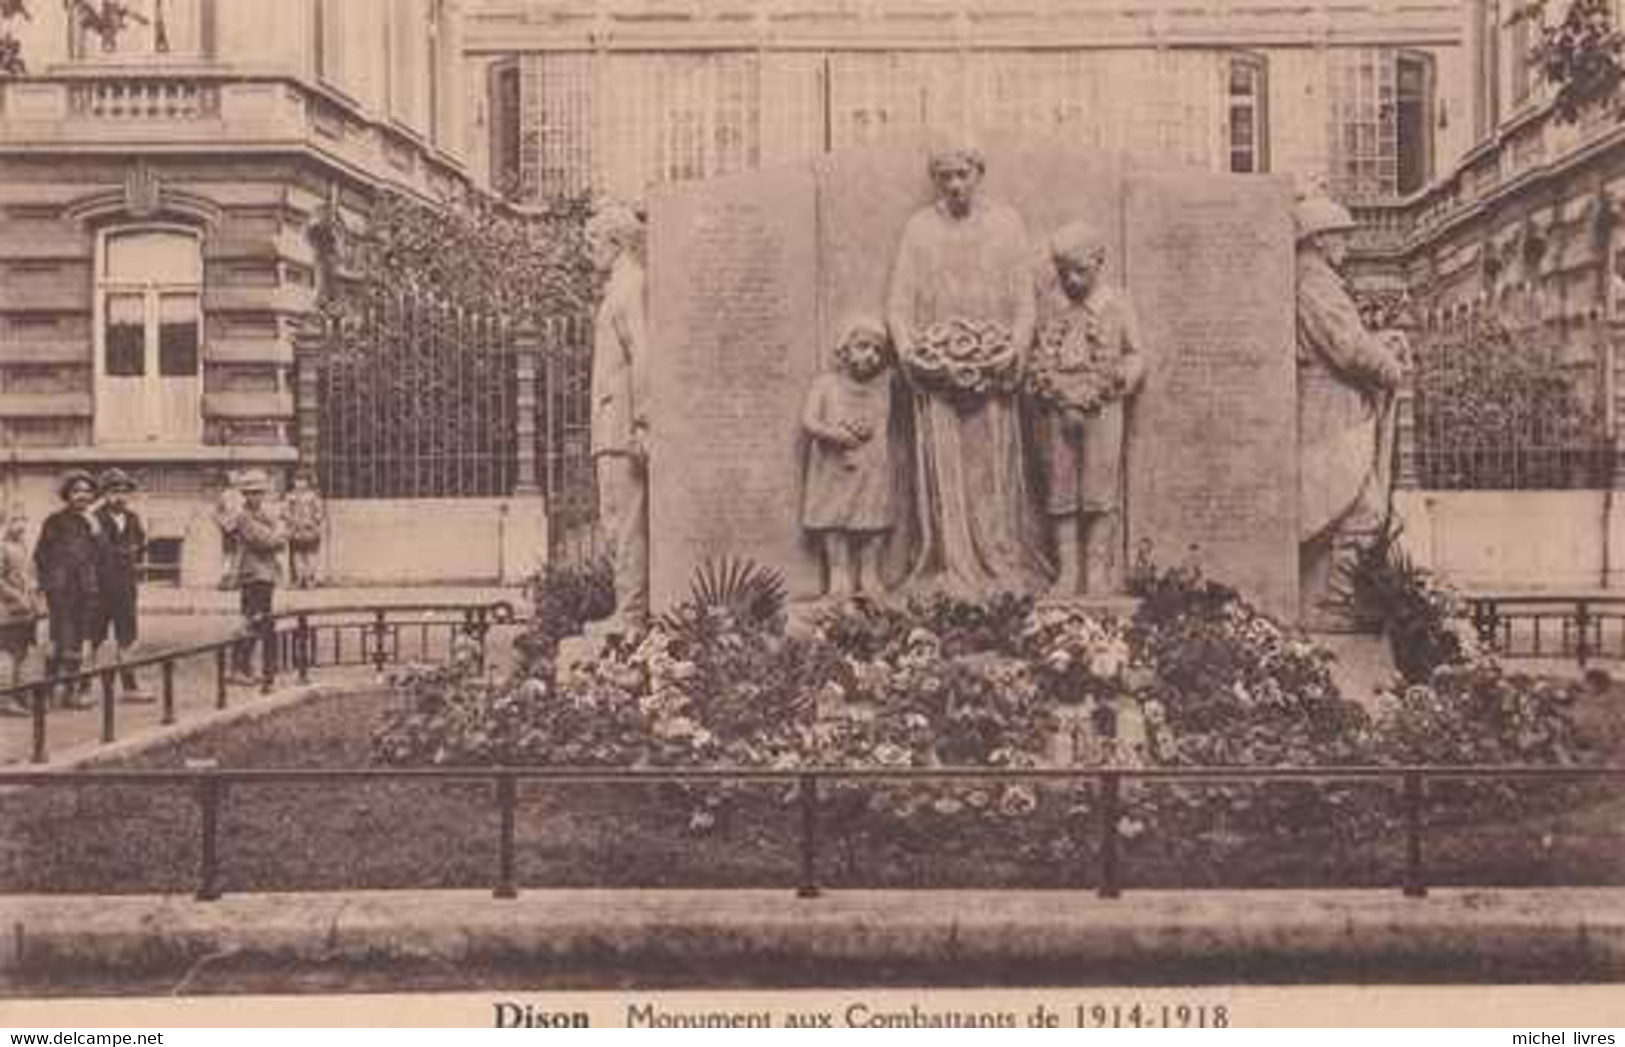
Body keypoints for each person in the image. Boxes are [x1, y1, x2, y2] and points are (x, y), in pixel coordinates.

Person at [885, 131, 1049, 597]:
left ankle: (999, 563)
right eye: (944, 176)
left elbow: (1024, 302)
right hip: (938, 376)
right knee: (944, 474)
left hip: (992, 375)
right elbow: (899, 304)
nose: (954, 185)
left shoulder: (1007, 224)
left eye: (963, 174)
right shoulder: (920, 227)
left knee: (992, 473)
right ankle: (949, 565)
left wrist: (1011, 349)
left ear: (979, 174)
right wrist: (915, 353)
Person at [1294, 189, 1408, 629]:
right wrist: (1388, 364)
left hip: (1336, 404)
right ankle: (1332, 604)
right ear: (1320, 239)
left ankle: (1329, 599)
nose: (1346, 246)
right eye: (1340, 237)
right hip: (1328, 409)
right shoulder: (1316, 283)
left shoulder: (1316, 282)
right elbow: (1345, 347)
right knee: (1360, 510)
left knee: (1344, 507)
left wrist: (1382, 346)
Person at [1032, 222, 1147, 597]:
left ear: (1099, 262)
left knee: (1099, 490)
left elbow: (1135, 352)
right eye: (1064, 271)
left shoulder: (1117, 303)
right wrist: (1052, 388)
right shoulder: (1051, 303)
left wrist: (1122, 378)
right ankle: (1068, 572)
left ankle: (1097, 571)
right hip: (1057, 405)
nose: (1072, 279)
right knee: (1061, 491)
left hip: (1103, 408)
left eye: (1080, 270)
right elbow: (1039, 352)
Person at [587, 203, 651, 631]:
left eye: (592, 243)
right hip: (612, 422)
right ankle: (626, 607)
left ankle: (631, 614)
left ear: (614, 242)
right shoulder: (620, 288)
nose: (588, 252)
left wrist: (644, 421)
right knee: (616, 519)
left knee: (625, 522)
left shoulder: (631, 288)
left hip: (623, 425)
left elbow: (643, 353)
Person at [801, 317, 897, 599]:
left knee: (873, 522)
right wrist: (834, 434)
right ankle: (838, 576)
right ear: (845, 349)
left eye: (878, 350)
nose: (870, 355)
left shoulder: (884, 385)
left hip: (872, 467)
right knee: (834, 523)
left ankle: (869, 575)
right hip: (834, 465)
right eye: (863, 346)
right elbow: (809, 421)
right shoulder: (826, 384)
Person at [33, 470, 102, 708]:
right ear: (67, 495)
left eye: (86, 491)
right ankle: (48, 691)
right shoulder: (55, 521)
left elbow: (104, 558)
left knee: (82, 639)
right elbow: (41, 555)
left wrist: (96, 530)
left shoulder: (94, 522)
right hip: (62, 591)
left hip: (88, 591)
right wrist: (48, 585)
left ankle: (72, 692)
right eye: (76, 491)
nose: (82, 495)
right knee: (59, 639)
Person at [88, 468, 153, 702]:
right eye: (114, 491)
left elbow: (141, 545)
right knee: (93, 639)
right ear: (104, 493)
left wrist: (128, 553)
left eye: (125, 491)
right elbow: (97, 552)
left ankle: (130, 687)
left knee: (127, 637)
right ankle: (82, 688)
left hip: (126, 588)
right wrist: (122, 553)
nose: (120, 496)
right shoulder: (94, 518)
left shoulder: (133, 518)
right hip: (99, 589)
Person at [228, 470, 286, 684]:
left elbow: (281, 532)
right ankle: (239, 668)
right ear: (245, 495)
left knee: (259, 621)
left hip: (266, 574)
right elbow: (266, 541)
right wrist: (277, 534)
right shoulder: (244, 517)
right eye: (251, 493)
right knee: (250, 620)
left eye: (259, 493)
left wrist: (278, 534)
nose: (256, 497)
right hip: (253, 574)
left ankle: (247, 667)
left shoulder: (262, 515)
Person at [0, 507, 40, 711]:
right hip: (6, 610)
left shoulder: (23, 545)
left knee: (22, 652)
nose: (20, 524)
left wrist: (33, 597)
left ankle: (20, 693)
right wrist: (16, 596)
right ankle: (5, 699)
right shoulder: (2, 546)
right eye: (15, 520)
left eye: (24, 519)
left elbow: (30, 575)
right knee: (7, 653)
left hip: (25, 610)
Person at [284, 468, 325, 589]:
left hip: (310, 528)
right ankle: (299, 578)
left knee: (311, 555)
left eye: (302, 480)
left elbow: (319, 511)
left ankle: (310, 578)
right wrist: (291, 520)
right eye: (297, 480)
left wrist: (313, 521)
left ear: (308, 482)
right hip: (296, 529)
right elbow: (285, 511)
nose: (299, 483)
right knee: (297, 554)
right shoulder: (290, 496)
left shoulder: (313, 496)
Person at [214, 471, 244, 591]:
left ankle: (236, 580)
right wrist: (223, 523)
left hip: (241, 528)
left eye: (236, 479)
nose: (234, 481)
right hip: (228, 529)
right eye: (232, 479)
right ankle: (225, 579)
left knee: (240, 554)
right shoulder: (224, 495)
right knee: (228, 555)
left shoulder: (243, 496)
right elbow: (216, 513)